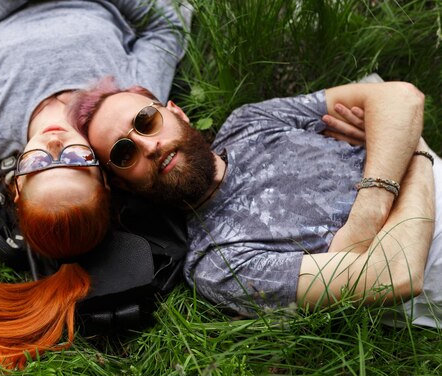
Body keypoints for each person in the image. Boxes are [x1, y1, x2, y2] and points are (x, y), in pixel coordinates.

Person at [0, 0, 191, 370]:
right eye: (75, 160)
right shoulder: (124, 107)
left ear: (16, 185)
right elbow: (167, 26)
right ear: (103, 174)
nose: (54, 146)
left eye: (37, 165)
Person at [69, 76, 442, 327]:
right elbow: (396, 274)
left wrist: (369, 210)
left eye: (146, 120)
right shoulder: (216, 264)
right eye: (123, 153)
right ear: (125, 186)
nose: (149, 146)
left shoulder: (251, 121)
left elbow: (399, 97)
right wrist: (414, 152)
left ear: (176, 112)